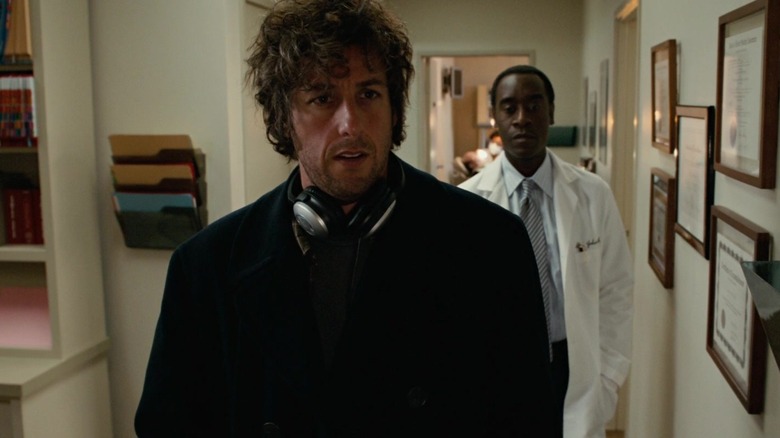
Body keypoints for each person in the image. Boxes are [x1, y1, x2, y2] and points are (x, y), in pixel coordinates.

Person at [134, 2, 555, 436]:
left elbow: (527, 419)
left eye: (368, 94)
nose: (350, 124)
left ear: (395, 110)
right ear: (283, 117)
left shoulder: (491, 244)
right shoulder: (206, 267)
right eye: (322, 98)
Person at [459, 65, 634, 438]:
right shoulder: (466, 202)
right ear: (495, 117)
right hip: (500, 372)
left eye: (534, 105)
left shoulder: (593, 193)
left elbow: (616, 290)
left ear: (551, 112)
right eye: (509, 107)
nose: (522, 118)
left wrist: (607, 379)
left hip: (574, 369)